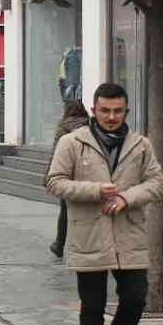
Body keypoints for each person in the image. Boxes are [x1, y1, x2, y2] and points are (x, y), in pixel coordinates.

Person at [45, 83, 163, 325]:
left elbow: (156, 182)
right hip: (90, 233)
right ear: (94, 110)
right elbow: (54, 182)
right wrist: (95, 190)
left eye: (117, 111)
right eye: (105, 110)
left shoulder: (140, 145)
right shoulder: (73, 143)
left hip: (130, 234)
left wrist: (127, 197)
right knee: (93, 305)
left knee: (135, 299)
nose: (111, 117)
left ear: (126, 111)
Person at [49, 100, 90, 259]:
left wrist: (50, 178)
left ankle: (59, 244)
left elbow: (55, 153)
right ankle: (86, 245)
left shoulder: (62, 127)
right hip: (87, 171)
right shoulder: (91, 125)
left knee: (65, 211)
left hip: (67, 174)